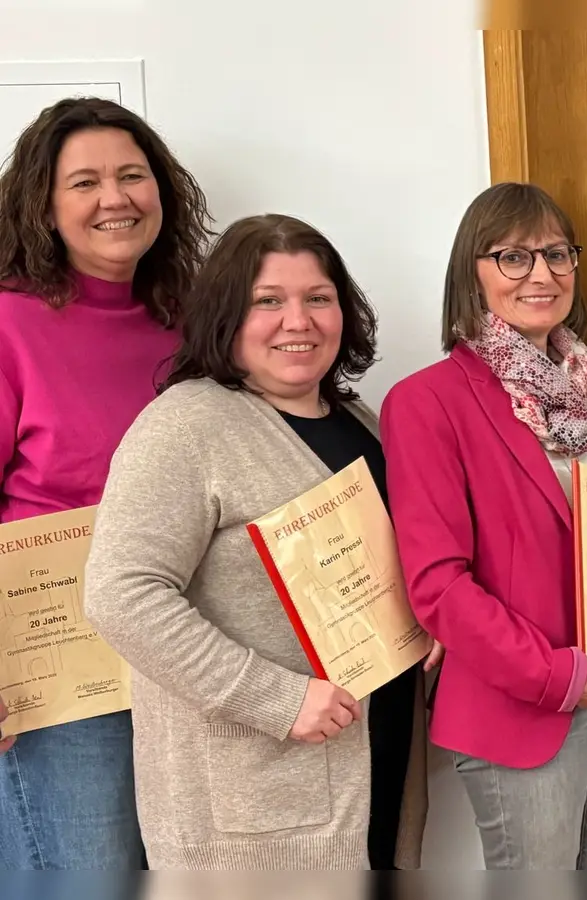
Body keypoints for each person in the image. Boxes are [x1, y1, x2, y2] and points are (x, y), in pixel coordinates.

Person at [81, 214, 431, 868]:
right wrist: (277, 698)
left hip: (376, 760)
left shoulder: (361, 421)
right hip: (256, 805)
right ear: (225, 315)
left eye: (317, 299)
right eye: (267, 301)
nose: (297, 321)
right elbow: (119, 595)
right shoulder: (184, 427)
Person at [381, 181, 587, 870]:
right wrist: (559, 679)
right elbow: (439, 588)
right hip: (525, 706)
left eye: (557, 254)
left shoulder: (578, 396)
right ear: (471, 272)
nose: (542, 274)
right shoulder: (427, 403)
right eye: (513, 256)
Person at [0, 96, 211, 870]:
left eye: (132, 175)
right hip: (63, 677)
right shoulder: (7, 326)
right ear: (44, 206)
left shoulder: (192, 321)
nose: (115, 198)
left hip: (190, 657)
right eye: (84, 182)